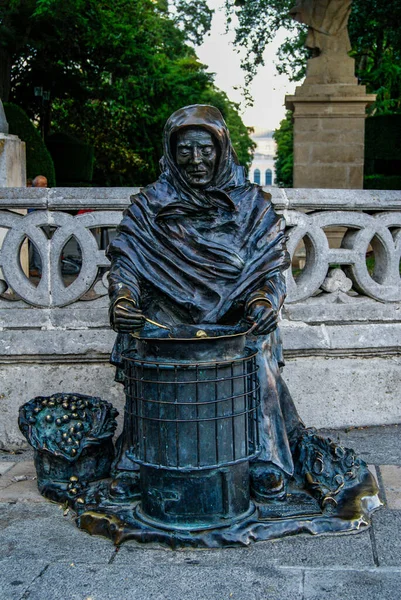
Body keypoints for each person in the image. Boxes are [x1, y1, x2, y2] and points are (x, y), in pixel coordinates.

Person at [107, 105, 303, 501]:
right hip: (167, 315)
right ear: (170, 152)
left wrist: (266, 299)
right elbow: (126, 266)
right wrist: (123, 298)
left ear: (222, 149)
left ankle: (265, 457)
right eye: (185, 151)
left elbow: (270, 273)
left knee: (258, 344)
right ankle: (135, 458)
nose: (196, 161)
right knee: (143, 342)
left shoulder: (252, 206)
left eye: (205, 150)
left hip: (236, 315)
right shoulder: (149, 206)